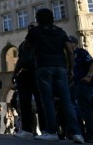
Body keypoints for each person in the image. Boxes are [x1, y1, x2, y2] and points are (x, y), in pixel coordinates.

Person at [25, 8, 84, 143]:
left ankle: (52, 131)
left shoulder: (35, 31)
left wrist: (30, 32)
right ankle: (77, 133)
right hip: (60, 68)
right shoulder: (60, 32)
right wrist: (70, 68)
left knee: (48, 100)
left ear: (38, 19)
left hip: (43, 67)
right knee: (66, 100)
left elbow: (26, 48)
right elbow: (69, 51)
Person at [12, 23, 46, 139]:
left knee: (41, 102)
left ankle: (45, 129)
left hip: (38, 72)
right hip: (25, 72)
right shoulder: (23, 44)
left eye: (33, 28)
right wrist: (14, 73)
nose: (31, 30)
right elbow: (20, 59)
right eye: (29, 28)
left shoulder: (42, 41)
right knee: (24, 103)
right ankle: (27, 129)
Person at [69, 35, 93, 143]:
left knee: (86, 109)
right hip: (78, 84)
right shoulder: (71, 56)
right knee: (83, 109)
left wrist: (89, 76)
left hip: (85, 83)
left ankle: (92, 135)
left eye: (69, 42)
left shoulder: (81, 52)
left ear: (74, 44)